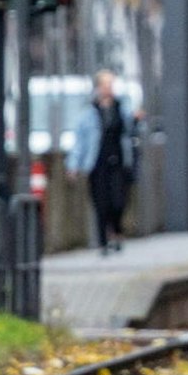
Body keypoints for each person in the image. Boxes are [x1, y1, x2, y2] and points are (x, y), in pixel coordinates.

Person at [70, 71, 138, 254]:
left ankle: (116, 231)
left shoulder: (122, 108)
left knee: (118, 201)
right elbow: (80, 141)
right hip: (97, 163)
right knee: (101, 203)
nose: (108, 89)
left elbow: (131, 131)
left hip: (118, 162)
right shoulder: (89, 113)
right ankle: (103, 241)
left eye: (111, 84)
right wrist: (74, 165)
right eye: (105, 85)